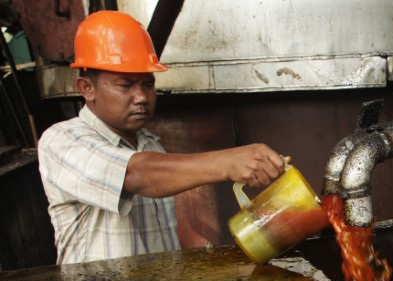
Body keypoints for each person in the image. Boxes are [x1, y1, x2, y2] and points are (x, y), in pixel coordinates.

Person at [38, 10, 286, 264]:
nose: (142, 97)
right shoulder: (61, 141)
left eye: (148, 84)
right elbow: (134, 174)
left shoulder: (150, 144)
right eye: (126, 85)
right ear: (86, 88)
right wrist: (228, 162)